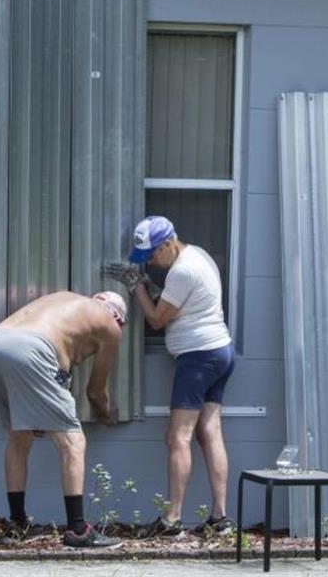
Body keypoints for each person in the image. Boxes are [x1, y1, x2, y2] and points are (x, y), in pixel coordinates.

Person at [108, 216, 236, 536]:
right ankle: (220, 519)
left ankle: (172, 520)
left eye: (152, 255)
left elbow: (156, 319)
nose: (151, 262)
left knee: (177, 437)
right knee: (210, 432)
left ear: (168, 243)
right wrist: (151, 285)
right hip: (220, 351)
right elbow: (182, 303)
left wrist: (136, 286)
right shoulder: (198, 255)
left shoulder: (181, 271)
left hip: (198, 358)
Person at [0, 290, 127, 548]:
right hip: (32, 350)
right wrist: (106, 414)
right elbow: (94, 392)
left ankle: (17, 525)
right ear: (116, 315)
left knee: (18, 437)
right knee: (73, 442)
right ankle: (79, 530)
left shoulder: (65, 299)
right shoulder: (111, 325)